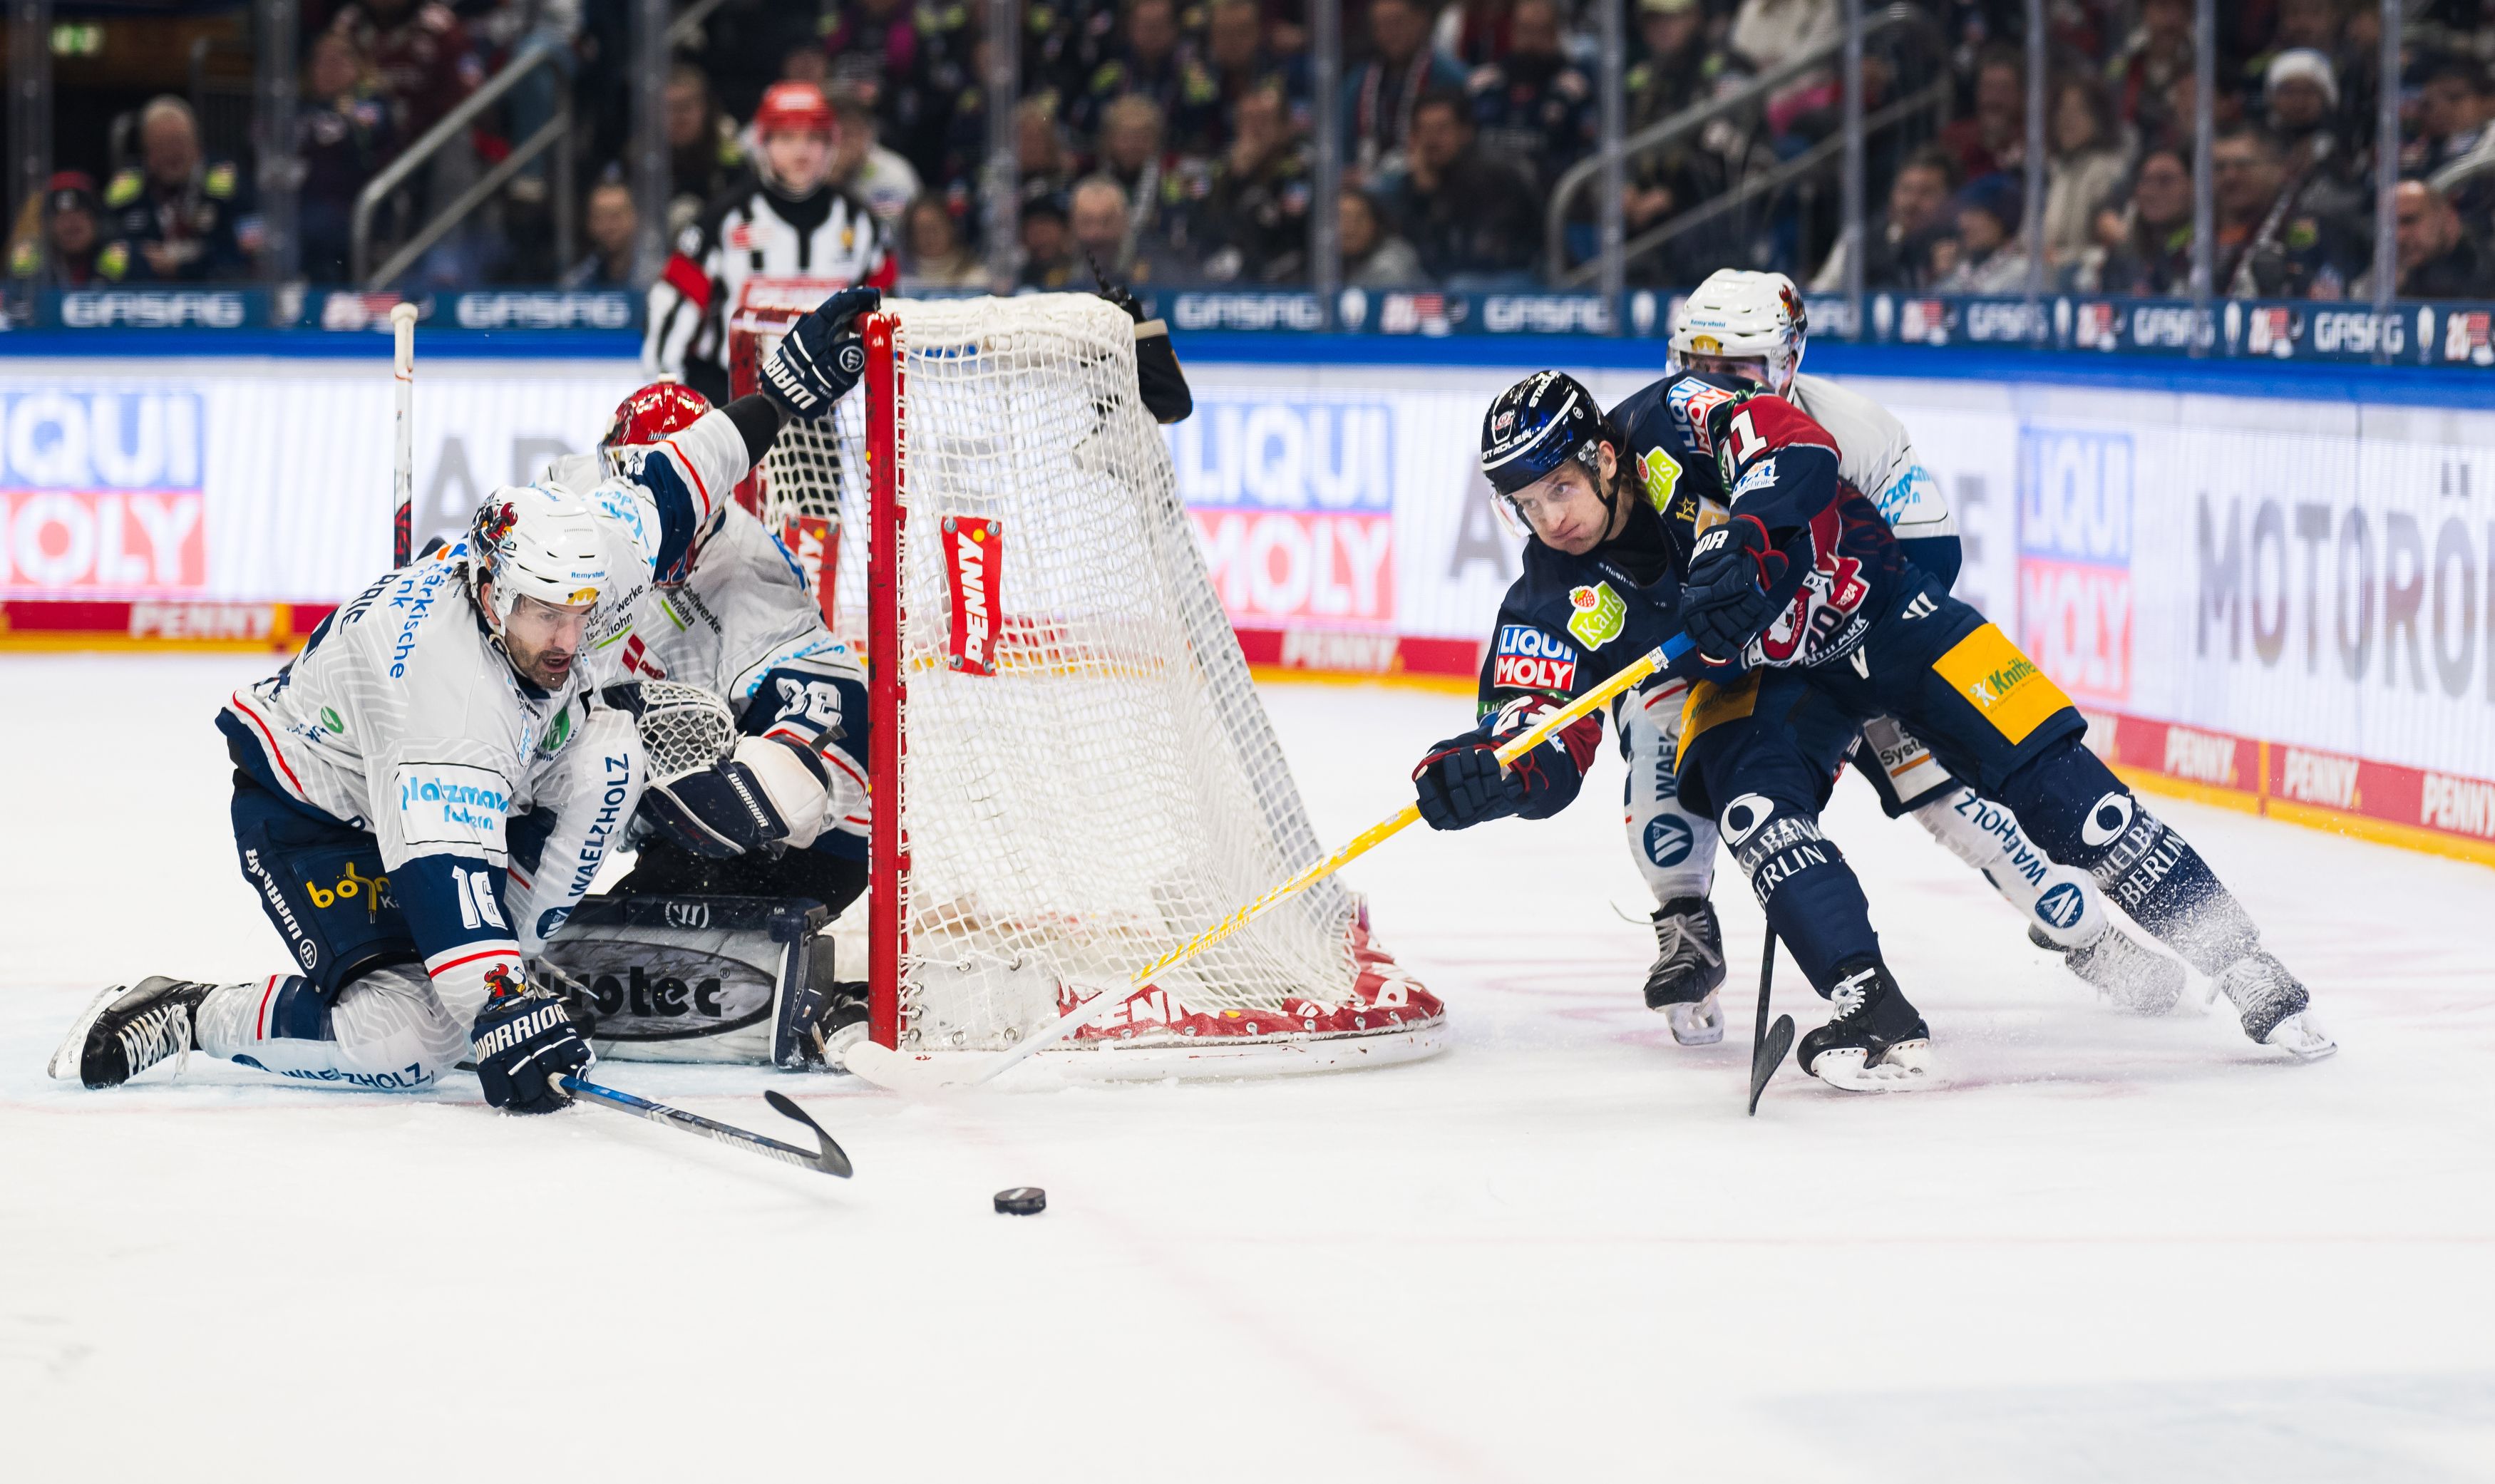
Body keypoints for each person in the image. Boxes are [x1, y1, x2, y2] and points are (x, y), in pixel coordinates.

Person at [49, 290, 883, 1106]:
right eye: (544, 617)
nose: (567, 641)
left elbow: (686, 475)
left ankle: (514, 964)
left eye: (579, 617)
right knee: (411, 1043)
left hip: (489, 759)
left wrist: (780, 394)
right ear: (490, 592)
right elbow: (445, 873)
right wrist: (495, 1007)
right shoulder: (441, 709)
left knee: (612, 754)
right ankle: (195, 1014)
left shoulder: (594, 548)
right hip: (319, 809)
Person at [1414, 366, 2334, 1091]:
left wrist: (1754, 537)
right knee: (1749, 809)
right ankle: (1873, 1006)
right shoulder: (1551, 595)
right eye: (1525, 504)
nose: (1550, 519)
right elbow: (1541, 733)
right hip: (1774, 684)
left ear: (1604, 456)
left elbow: (1795, 446)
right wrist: (1491, 775)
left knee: (2067, 797)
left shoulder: (1669, 417)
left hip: (1887, 612)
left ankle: (2245, 964)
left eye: (1559, 488)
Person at [1608, 271, 2179, 1044]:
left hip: (1848, 637)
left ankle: (2081, 930)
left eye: (1737, 372)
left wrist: (1832, 635)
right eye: (1696, 368)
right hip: (1731, 657)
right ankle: (1683, 920)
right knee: (1654, 720)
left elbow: (1928, 557)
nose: (1714, 390)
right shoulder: (1644, 437)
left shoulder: (1854, 428)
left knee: (1951, 799)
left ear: (1787, 362)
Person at [645, 82, 895, 407]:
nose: (801, 151)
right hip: (728, 399)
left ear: (831, 144)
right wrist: (670, 400)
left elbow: (886, 316)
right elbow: (670, 307)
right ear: (764, 143)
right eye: (787, 138)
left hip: (819, 408)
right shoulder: (722, 221)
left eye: (813, 138)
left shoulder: (862, 225)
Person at [1383, 88, 1541, 284]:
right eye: (1424, 130)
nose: (1431, 141)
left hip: (1505, 277)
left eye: (1441, 129)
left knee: (1460, 285)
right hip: (1442, 280)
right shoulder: (1412, 182)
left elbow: (1477, 255)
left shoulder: (1495, 178)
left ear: (1466, 132)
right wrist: (1423, 195)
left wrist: (1431, 196)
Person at [101, 96, 260, 282]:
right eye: (160, 145)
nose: (170, 153)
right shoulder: (126, 187)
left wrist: (184, 268)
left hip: (212, 292)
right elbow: (104, 250)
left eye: (178, 142)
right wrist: (140, 260)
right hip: (146, 294)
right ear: (146, 151)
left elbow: (251, 253)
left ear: (196, 144)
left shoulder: (230, 180)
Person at [2211, 125, 2366, 299]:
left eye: (2243, 165)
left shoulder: (2314, 231)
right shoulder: (2192, 235)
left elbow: (2336, 297)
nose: (2230, 176)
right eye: (2219, 167)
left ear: (2279, 169)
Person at [295, 33, 397, 284]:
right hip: (296, 205)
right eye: (322, 61)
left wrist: (346, 115)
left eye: (339, 60)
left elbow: (373, 144)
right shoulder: (296, 110)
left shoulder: (372, 105)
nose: (330, 68)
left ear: (358, 65)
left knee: (314, 227)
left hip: (351, 208)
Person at [1463, 0, 1594, 190]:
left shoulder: (1575, 90)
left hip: (1549, 196)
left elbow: (1585, 154)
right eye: (1525, 30)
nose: (1532, 41)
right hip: (1485, 195)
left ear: (1556, 35)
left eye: (1542, 31)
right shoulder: (1482, 85)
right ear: (1513, 31)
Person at [1201, 83, 1312, 282]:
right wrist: (1236, 177)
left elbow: (1290, 234)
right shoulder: (1221, 170)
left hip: (1289, 278)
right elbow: (1206, 229)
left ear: (1284, 128)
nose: (1254, 130)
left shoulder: (1300, 171)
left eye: (1264, 121)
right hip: (1227, 277)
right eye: (1247, 121)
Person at [1344, 0, 1467, 177]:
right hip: (1366, 186)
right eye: (1380, 26)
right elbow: (1342, 147)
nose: (1389, 34)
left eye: (1397, 22)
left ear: (1422, 20)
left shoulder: (1451, 78)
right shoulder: (1357, 81)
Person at [1807, 143, 1953, 291]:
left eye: (1926, 192)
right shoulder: (1859, 239)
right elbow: (1820, 293)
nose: (1912, 202)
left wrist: (1950, 277)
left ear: (1950, 199)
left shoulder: (1962, 242)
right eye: (1905, 190)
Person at [2039, 75, 2128, 276]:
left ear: (2100, 118)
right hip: (2046, 267)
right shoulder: (2053, 169)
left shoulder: (2110, 169)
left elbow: (2105, 243)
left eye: (2079, 110)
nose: (2067, 119)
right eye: (2062, 110)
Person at [2360, 179, 2495, 299]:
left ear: (2449, 219)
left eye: (2409, 220)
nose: (2399, 236)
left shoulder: (2487, 268)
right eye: (2389, 225)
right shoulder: (2382, 275)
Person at [2086, 145, 2194, 296]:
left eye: (2165, 180)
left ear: (2194, 186)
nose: (2151, 192)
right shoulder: (2124, 250)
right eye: (2145, 180)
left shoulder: (2207, 250)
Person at [662, 63, 750, 236]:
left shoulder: (726, 145)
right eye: (670, 109)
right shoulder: (646, 155)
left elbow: (744, 198)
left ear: (704, 108)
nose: (679, 118)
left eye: (686, 107)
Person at [828, 84, 924, 232]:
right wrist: (835, 178)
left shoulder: (893, 172)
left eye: (851, 133)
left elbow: (892, 229)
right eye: (838, 135)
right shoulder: (815, 171)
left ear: (868, 132)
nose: (846, 144)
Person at [1929, 173, 2035, 294]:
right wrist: (1944, 277)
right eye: (1963, 214)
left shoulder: (2023, 271)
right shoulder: (1958, 269)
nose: (1964, 224)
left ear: (2001, 219)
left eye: (1975, 214)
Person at [1939, 46, 2027, 185]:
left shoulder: (2032, 141)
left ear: (2022, 94)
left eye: (2003, 88)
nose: (1993, 98)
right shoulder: (1954, 139)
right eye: (1988, 87)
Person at [9, 171, 108, 285]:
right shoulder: (30, 264)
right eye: (61, 216)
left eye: (80, 213)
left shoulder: (118, 258)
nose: (71, 224)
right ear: (46, 224)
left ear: (96, 220)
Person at [1340, 185, 1427, 287]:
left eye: (1360, 219)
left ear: (1376, 223)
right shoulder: (1326, 262)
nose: (1350, 228)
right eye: (1342, 219)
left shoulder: (1393, 263)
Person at [562, 177, 639, 288]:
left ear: (633, 218)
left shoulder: (656, 276)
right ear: (589, 224)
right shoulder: (578, 283)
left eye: (616, 216)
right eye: (599, 218)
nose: (608, 227)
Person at [898, 195, 987, 287]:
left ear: (951, 228)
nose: (930, 237)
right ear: (911, 235)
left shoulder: (975, 278)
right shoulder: (899, 278)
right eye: (922, 230)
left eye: (935, 229)